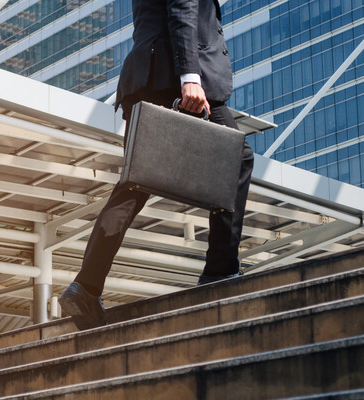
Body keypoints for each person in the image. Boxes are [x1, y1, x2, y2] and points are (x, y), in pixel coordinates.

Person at [58, 0, 254, 330]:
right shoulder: (185, 76)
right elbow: (182, 7)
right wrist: (189, 77)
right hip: (174, 75)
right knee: (237, 159)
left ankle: (86, 286)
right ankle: (220, 272)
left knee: (134, 184)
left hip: (148, 76)